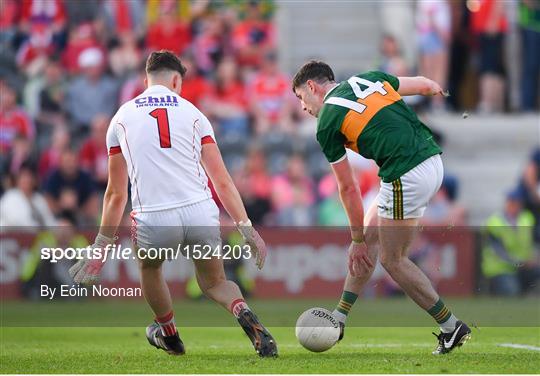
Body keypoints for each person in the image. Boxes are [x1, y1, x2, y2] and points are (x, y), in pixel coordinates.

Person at [68, 51, 277, 357]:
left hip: (153, 218)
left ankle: (169, 334)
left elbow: (115, 193)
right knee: (215, 283)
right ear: (177, 80)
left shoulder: (121, 117)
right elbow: (222, 181)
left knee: (150, 267)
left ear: (145, 81)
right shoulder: (194, 114)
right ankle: (243, 311)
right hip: (199, 211)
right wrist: (248, 230)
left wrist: (101, 245)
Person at [291, 61, 471, 355]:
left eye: (300, 97)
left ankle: (451, 326)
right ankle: (339, 318)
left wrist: (356, 240)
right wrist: (441, 90)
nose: (302, 107)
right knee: (374, 234)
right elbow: (425, 84)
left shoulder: (327, 121)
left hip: (405, 171)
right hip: (432, 161)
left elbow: (348, 188)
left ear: (312, 87)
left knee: (391, 259)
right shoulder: (368, 78)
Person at [482, 189, 540, 296]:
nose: (512, 205)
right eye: (510, 201)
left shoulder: (527, 218)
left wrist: (534, 258)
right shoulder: (495, 221)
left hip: (524, 267)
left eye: (515, 202)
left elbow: (534, 242)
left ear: (520, 204)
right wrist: (520, 262)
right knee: (512, 292)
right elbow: (498, 251)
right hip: (501, 269)